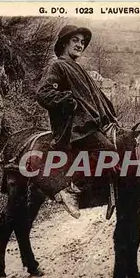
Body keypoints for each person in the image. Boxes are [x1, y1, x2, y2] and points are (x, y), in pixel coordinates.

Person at [35, 25, 121, 219]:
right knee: (107, 151)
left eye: (82, 42)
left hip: (88, 125)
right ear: (64, 43)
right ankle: (70, 188)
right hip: (73, 127)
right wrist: (68, 100)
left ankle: (104, 195)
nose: (80, 45)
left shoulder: (77, 68)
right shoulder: (57, 65)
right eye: (75, 40)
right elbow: (43, 94)